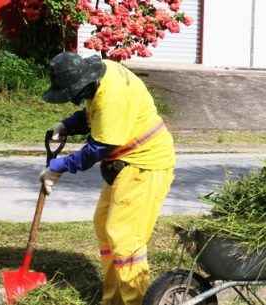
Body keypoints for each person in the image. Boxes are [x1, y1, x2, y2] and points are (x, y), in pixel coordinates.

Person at [39, 52, 176, 305]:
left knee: (125, 238)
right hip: (126, 164)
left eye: (74, 94)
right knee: (104, 225)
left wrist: (59, 166)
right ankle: (114, 300)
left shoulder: (111, 96)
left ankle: (136, 300)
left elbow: (99, 148)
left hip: (145, 165)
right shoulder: (103, 73)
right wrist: (67, 125)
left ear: (84, 83)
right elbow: (94, 113)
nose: (74, 100)